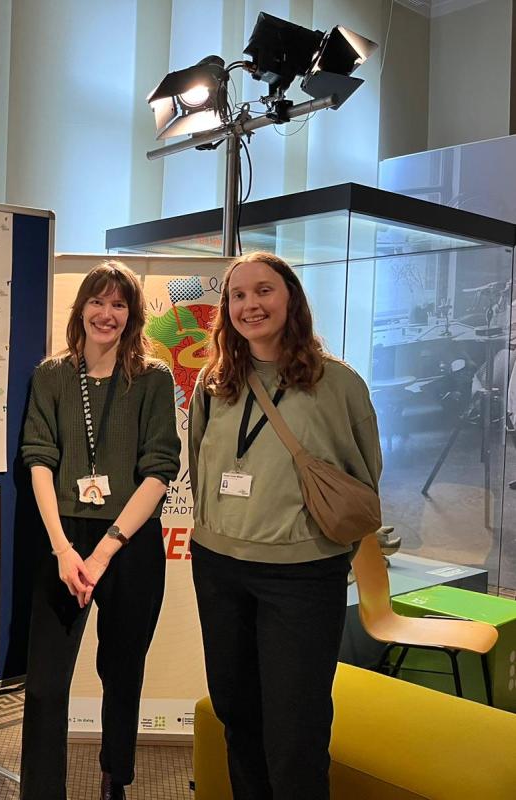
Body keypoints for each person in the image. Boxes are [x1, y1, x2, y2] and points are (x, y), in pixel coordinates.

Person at [187, 252, 382, 799]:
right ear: (226, 309)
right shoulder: (215, 380)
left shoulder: (336, 383)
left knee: (295, 729)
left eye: (264, 291)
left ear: (291, 297)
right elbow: (198, 458)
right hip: (220, 568)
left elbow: (363, 473)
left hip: (301, 575)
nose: (251, 305)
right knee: (236, 711)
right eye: (238, 295)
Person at [19, 260, 181, 800]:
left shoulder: (154, 379)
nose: (106, 314)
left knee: (122, 668)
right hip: (64, 540)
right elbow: (38, 459)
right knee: (44, 685)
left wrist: (107, 549)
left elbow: (160, 469)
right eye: (97, 301)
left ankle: (117, 779)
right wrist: (64, 549)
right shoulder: (51, 375)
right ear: (81, 307)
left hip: (129, 544)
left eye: (118, 304)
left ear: (131, 315)